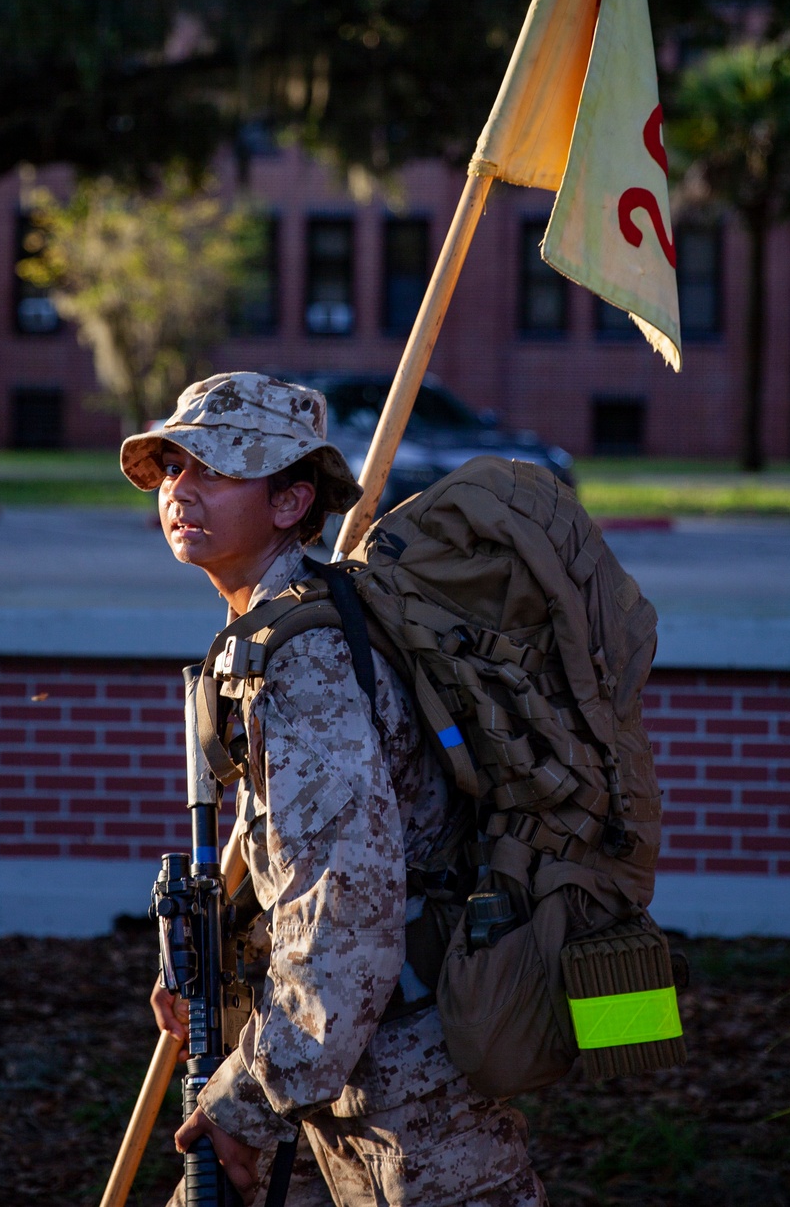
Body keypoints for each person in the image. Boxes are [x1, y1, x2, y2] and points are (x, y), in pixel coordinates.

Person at [120, 372, 547, 1207]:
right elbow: (286, 867)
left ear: (291, 503)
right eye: (172, 467)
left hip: (407, 1097)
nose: (182, 490)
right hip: (331, 1057)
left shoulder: (305, 657)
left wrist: (248, 1102)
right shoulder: (272, 630)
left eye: (216, 468)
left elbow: (346, 909)